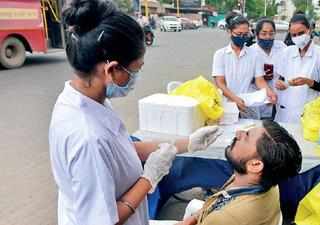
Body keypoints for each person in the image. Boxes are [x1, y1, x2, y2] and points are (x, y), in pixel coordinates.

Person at [49, 1, 222, 225]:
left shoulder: (86, 99)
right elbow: (103, 221)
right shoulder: (87, 138)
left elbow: (121, 150)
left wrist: (186, 143)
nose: (136, 77)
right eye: (136, 69)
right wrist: (148, 179)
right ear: (111, 70)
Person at [177, 120, 302, 225]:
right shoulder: (267, 183)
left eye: (246, 136)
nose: (238, 133)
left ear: (255, 164)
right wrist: (194, 218)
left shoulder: (224, 218)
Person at [212, 12, 277, 119]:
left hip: (249, 104)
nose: (242, 37)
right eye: (238, 34)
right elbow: (220, 83)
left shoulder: (254, 54)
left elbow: (259, 80)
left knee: (250, 131)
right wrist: (235, 99)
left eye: (245, 34)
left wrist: (270, 92)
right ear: (229, 32)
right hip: (228, 104)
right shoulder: (220, 55)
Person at [274, 14, 320, 123]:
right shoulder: (287, 52)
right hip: (286, 110)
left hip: (307, 110)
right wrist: (279, 84)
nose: (298, 37)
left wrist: (307, 81)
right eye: (294, 35)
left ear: (309, 30)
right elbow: (281, 79)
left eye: (301, 33)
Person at [251, 18, 287, 120]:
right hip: (259, 98)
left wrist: (283, 78)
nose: (268, 37)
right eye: (264, 33)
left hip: (279, 96)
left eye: (271, 34)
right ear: (257, 34)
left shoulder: (282, 47)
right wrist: (258, 78)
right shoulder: (251, 52)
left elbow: (289, 68)